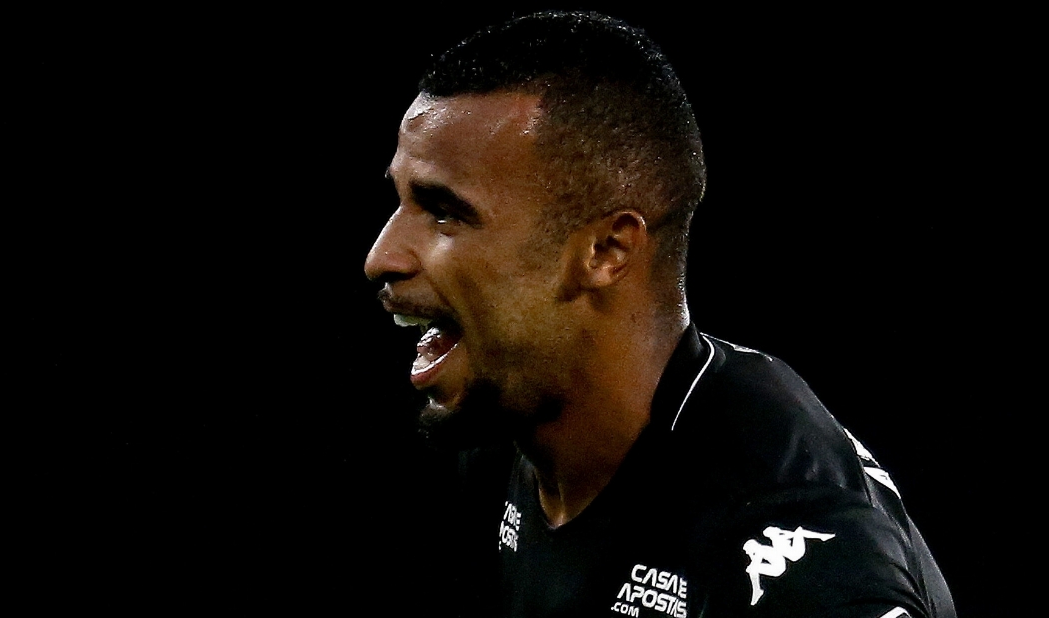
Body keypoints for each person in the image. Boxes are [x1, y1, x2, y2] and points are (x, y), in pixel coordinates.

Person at [364, 10, 954, 618]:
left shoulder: (789, 543)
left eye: (444, 212)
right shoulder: (504, 426)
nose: (381, 257)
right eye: (400, 201)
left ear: (606, 251)